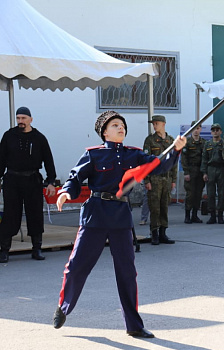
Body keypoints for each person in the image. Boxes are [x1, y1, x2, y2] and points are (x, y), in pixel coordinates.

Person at [53, 110, 186, 337]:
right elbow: (75, 177)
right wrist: (66, 192)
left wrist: (175, 149)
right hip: (95, 214)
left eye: (122, 125)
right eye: (115, 125)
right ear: (104, 131)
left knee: (126, 272)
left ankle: (134, 326)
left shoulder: (132, 154)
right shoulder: (93, 154)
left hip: (120, 217)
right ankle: (64, 307)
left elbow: (157, 165)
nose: (120, 127)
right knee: (77, 266)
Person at [0, 106, 56, 263]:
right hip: (12, 180)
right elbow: (1, 160)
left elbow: (48, 161)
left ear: (31, 119)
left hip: (32, 180)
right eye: (18, 118)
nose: (20, 121)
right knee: (10, 214)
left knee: (35, 214)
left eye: (23, 118)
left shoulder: (39, 138)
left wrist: (51, 181)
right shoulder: (8, 136)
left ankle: (36, 248)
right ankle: (4, 250)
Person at [143, 115, 177, 245]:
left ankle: (163, 233)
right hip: (154, 178)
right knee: (154, 207)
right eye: (153, 123)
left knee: (164, 207)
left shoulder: (171, 140)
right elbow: (145, 161)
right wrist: (147, 180)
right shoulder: (150, 140)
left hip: (167, 178)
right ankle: (154, 233)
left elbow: (174, 161)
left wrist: (174, 179)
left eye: (156, 123)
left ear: (163, 124)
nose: (154, 125)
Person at [200, 123, 224, 225]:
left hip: (221, 169)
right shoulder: (207, 144)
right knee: (210, 193)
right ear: (211, 132)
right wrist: (204, 172)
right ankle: (212, 215)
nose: (215, 132)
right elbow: (204, 159)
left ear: (220, 131)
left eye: (217, 130)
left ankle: (220, 215)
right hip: (210, 169)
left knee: (221, 193)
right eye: (213, 130)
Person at [181, 122, 206, 224]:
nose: (196, 130)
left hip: (200, 171)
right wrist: (186, 172)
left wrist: (204, 172)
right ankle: (187, 215)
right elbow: (184, 159)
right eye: (194, 128)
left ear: (200, 129)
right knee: (190, 194)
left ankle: (194, 215)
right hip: (191, 170)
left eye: (198, 128)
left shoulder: (203, 142)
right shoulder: (187, 142)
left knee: (198, 194)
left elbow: (205, 158)